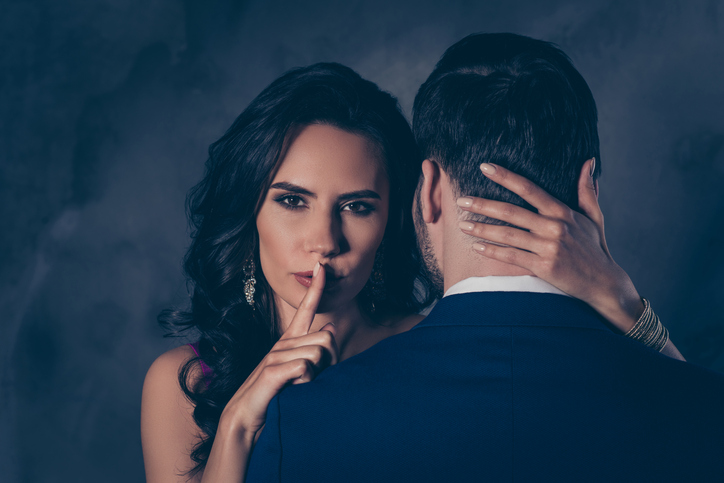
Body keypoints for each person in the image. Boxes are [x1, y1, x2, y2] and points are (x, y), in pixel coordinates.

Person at [142, 61, 682, 482]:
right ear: (249, 209)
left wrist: (621, 299)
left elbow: (692, 422)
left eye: (357, 207)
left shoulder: (437, 344)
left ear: (400, 216)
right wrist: (240, 421)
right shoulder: (186, 383)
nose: (324, 241)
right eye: (292, 201)